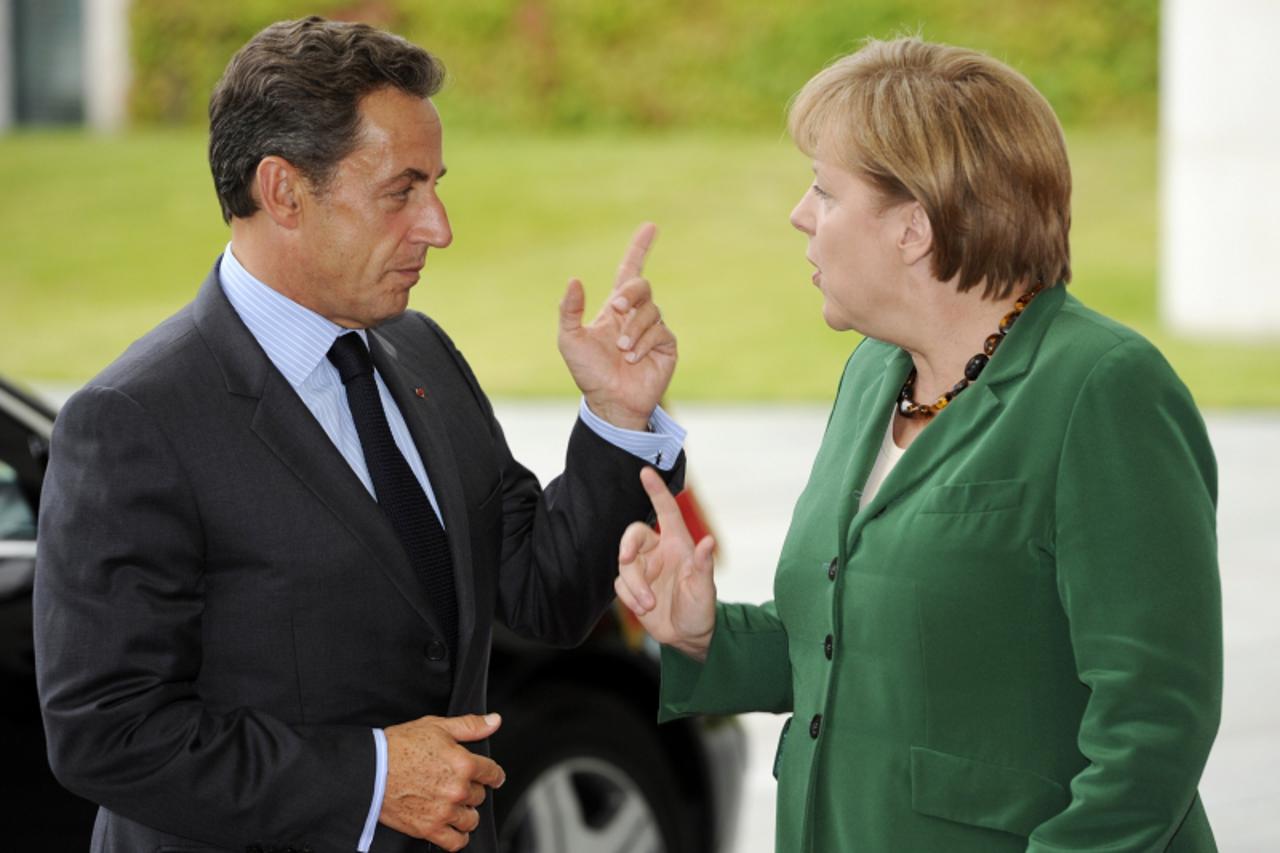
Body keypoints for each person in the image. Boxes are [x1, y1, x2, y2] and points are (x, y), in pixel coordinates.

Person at [34, 16, 685, 853]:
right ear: (283, 192)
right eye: (401, 190)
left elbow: (544, 594)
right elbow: (107, 731)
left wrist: (618, 417)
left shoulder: (421, 352)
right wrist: (371, 776)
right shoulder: (133, 421)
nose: (439, 226)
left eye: (435, 185)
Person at [615, 36, 1221, 853]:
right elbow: (854, 648)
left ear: (913, 228)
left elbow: (1154, 725)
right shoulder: (875, 372)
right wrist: (704, 634)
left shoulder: (1102, 390)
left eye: (825, 192)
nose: (800, 214)